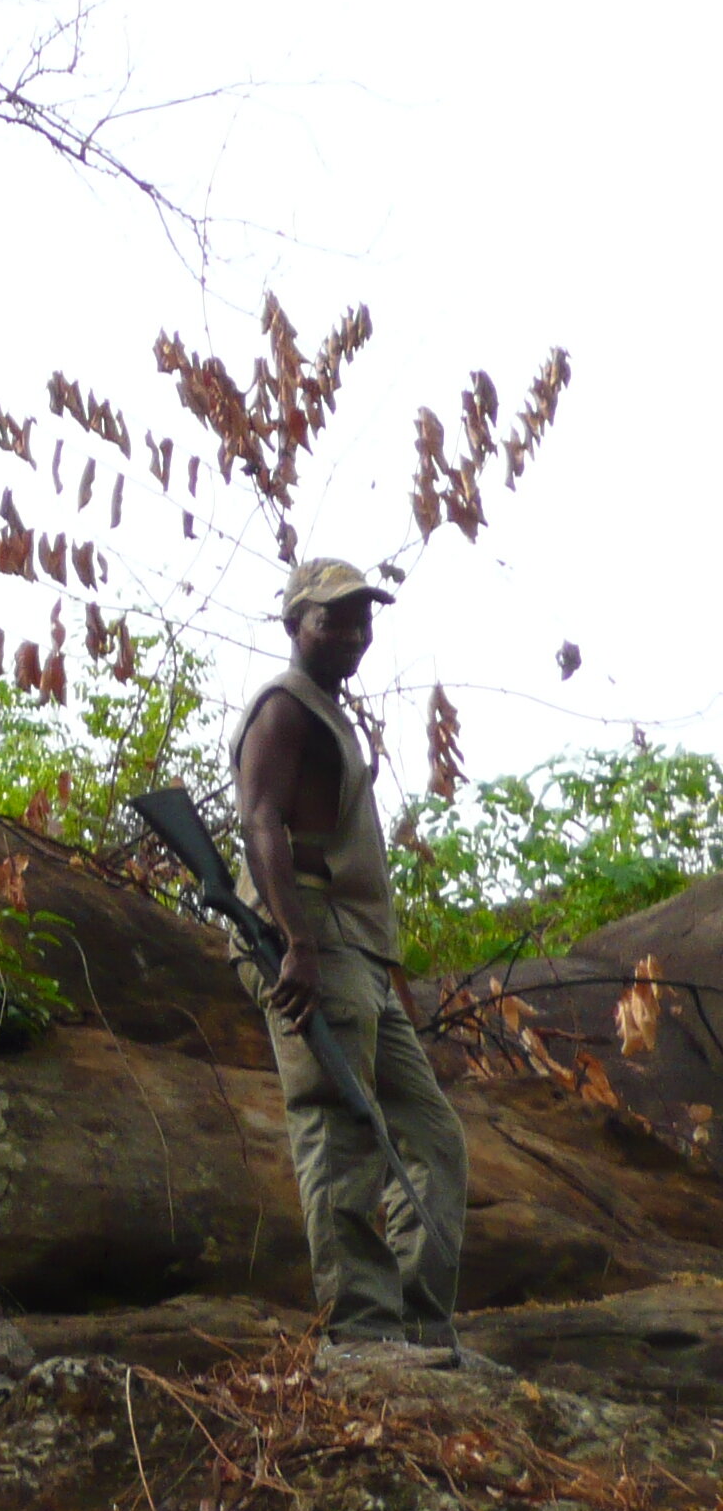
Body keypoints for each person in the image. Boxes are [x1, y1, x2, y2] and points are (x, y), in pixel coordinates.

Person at [232, 558, 474, 1373]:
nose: (353, 633)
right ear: (295, 624)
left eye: (362, 617)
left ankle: (416, 1323)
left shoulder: (330, 712)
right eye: (333, 618)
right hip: (313, 942)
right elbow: (260, 820)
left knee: (434, 1137)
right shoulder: (284, 709)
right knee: (339, 1128)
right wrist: (294, 944)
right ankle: (361, 1334)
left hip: (357, 952)